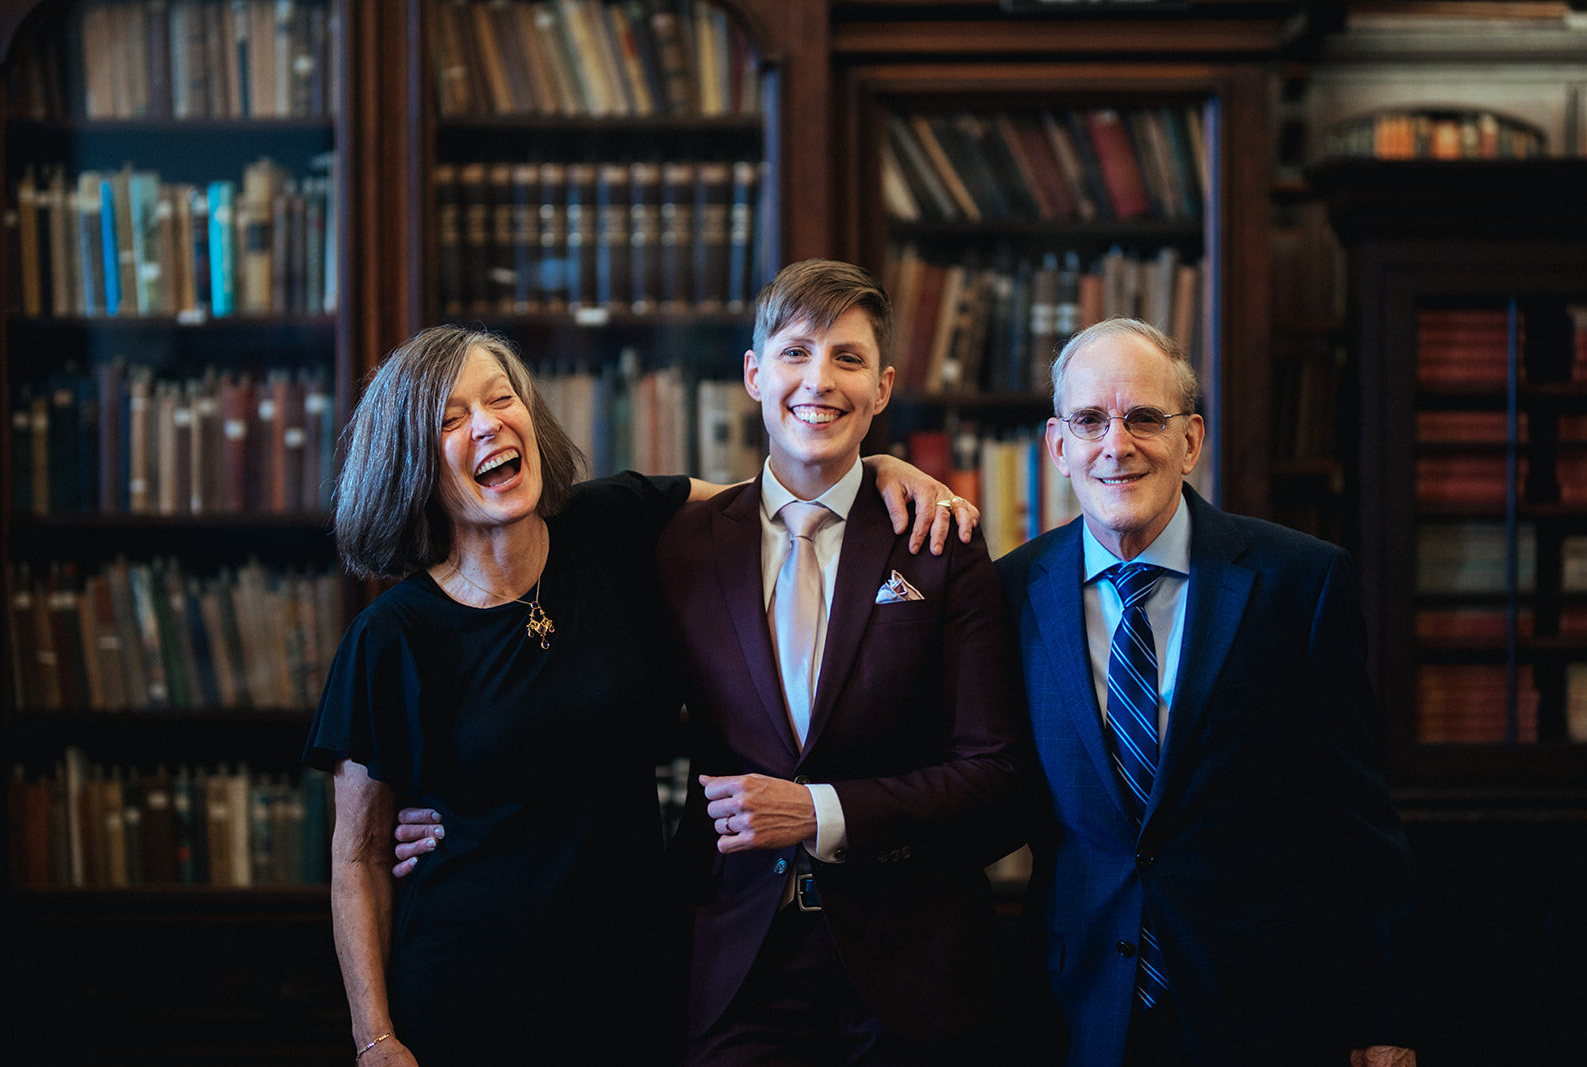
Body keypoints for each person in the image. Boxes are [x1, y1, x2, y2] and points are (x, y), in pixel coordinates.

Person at [302, 324, 969, 1066]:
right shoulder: (391, 636)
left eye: (501, 398)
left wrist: (875, 466)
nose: (489, 423)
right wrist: (375, 1037)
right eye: (451, 419)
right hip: (470, 994)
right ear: (412, 464)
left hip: (635, 974)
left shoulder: (611, 525)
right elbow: (359, 856)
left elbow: (778, 499)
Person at [994, 318, 1419, 1067]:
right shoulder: (1007, 592)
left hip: (1267, 1009)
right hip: (1074, 1009)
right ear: (1058, 446)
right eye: (1090, 420)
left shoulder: (1300, 582)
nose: (1116, 444)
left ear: (1191, 440)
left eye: (1144, 418)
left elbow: (1357, 824)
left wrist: (1385, 1016)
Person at [656, 259, 1028, 1064]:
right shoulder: (682, 547)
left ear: (884, 387)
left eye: (848, 358)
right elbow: (609, 717)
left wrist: (821, 813)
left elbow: (997, 774)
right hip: (735, 966)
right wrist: (460, 813)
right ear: (754, 374)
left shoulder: (941, 541)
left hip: (914, 972)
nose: (818, 380)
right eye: (794, 352)